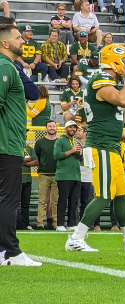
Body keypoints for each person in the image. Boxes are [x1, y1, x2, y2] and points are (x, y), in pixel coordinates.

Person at [63, 44, 125, 251]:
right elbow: (122, 100)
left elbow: (104, 114)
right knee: (104, 195)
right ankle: (76, 238)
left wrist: (118, 134)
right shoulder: (101, 80)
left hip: (109, 144)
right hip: (100, 146)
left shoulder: (105, 82)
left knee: (121, 194)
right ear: (116, 61)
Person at [0, 24, 41, 265]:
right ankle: (12, 252)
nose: (23, 41)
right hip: (7, 146)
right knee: (8, 200)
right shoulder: (5, 67)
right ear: (5, 43)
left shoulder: (9, 67)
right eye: (18, 38)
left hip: (7, 144)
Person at [54, 120, 82, 232]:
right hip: (64, 175)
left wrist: (79, 153)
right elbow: (56, 155)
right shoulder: (60, 140)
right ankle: (60, 224)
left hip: (76, 175)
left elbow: (80, 159)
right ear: (65, 129)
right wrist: (72, 150)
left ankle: (71, 223)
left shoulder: (76, 141)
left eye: (74, 127)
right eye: (70, 127)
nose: (73, 129)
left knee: (74, 201)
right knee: (62, 200)